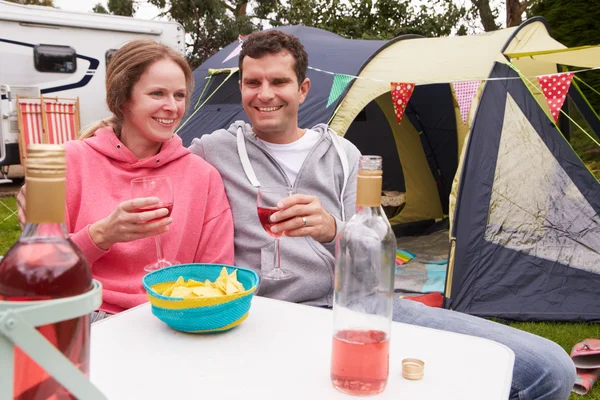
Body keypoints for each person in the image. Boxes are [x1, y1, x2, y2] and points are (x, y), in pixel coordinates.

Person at [189, 30, 576, 399]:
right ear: (240, 88)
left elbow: (376, 261)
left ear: (302, 89)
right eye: (252, 83)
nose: (265, 94)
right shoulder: (212, 151)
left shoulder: (346, 156)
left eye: (279, 82)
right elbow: (144, 152)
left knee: (548, 369)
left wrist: (333, 229)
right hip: (269, 319)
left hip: (360, 309)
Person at [18, 39, 234, 317]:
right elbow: (36, 270)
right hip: (83, 313)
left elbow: (218, 275)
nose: (172, 106)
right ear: (122, 98)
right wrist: (102, 235)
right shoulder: (67, 161)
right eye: (157, 93)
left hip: (174, 319)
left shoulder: (203, 176)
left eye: (179, 96)